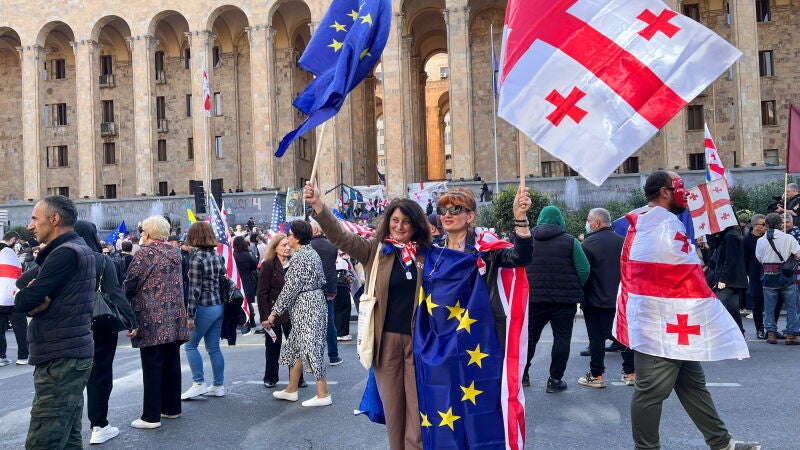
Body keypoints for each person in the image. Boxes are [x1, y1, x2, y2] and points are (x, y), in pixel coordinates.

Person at [619, 171, 758, 450]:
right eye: (680, 187)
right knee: (651, 392)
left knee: (693, 386)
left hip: (674, 322)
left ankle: (721, 443)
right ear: (665, 191)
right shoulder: (656, 226)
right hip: (659, 326)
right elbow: (674, 275)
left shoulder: (655, 222)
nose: (686, 194)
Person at [306, 184, 432, 449]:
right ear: (387, 222)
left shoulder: (427, 255)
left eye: (406, 221)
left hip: (419, 343)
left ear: (416, 225)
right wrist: (318, 206)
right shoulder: (374, 250)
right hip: (385, 343)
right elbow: (341, 237)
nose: (399, 226)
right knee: (394, 412)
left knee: (419, 410)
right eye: (395, 220)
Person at [14, 195, 96, 448]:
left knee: (44, 439)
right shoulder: (75, 248)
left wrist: (31, 296)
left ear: (54, 219)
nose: (30, 226)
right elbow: (23, 285)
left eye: (34, 218)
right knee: (68, 438)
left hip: (60, 357)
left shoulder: (64, 254)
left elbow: (22, 301)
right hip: (69, 353)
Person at [73, 220, 139, 444]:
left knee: (69, 376)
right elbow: (115, 292)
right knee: (100, 373)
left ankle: (68, 428)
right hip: (99, 322)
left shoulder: (61, 257)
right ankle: (99, 425)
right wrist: (131, 320)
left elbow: (25, 281)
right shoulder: (102, 260)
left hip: (69, 325)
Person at [124, 215, 189, 429]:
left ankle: (150, 417)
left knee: (152, 366)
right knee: (171, 363)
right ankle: (172, 408)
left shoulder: (144, 253)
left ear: (148, 233)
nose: (141, 234)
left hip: (151, 317)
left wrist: (123, 307)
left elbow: (130, 283)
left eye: (143, 231)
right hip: (174, 316)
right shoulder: (175, 252)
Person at [522, 205, 590, 392]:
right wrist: (573, 285)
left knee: (529, 338)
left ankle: (523, 375)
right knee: (562, 339)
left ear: (540, 220)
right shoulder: (570, 241)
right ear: (560, 220)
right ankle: (555, 380)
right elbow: (584, 269)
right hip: (564, 301)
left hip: (533, 299)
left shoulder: (528, 239)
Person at [265, 220, 332, 407]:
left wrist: (274, 312)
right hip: (313, 303)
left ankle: (323, 393)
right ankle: (291, 389)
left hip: (307, 306)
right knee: (295, 349)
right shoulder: (311, 253)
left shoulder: (300, 257)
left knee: (311, 349)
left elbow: (290, 289)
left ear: (298, 237)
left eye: (290, 235)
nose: (288, 238)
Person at [577, 208, 634, 389]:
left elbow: (583, 272)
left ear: (597, 223)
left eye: (588, 220)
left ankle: (596, 375)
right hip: (620, 299)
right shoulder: (624, 242)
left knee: (596, 339)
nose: (587, 223)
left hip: (594, 300)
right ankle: (631, 373)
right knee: (624, 337)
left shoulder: (587, 244)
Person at [182, 221, 227, 399]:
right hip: (218, 304)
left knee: (190, 345)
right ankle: (218, 385)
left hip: (204, 306)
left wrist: (190, 316)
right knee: (214, 348)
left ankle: (199, 383)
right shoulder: (217, 255)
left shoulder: (196, 259)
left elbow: (194, 289)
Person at [257, 233, 306, 389]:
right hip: (273, 314)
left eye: (288, 245)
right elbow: (262, 293)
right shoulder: (268, 265)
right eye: (283, 245)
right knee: (273, 346)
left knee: (295, 347)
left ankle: (297, 378)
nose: (287, 248)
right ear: (275, 247)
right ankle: (271, 377)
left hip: (293, 312)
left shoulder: (295, 263)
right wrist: (264, 317)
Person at [755, 212, 800, 344]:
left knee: (769, 308)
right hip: (786, 276)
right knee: (791, 307)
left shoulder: (760, 241)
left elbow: (759, 258)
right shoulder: (788, 238)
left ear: (766, 225)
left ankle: (771, 334)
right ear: (780, 224)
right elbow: (798, 255)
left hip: (768, 275)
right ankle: (791, 335)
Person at [308, 220, 341, 365]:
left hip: (312, 289)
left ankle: (313, 357)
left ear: (315, 230)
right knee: (329, 322)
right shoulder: (331, 245)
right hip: (329, 289)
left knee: (312, 323)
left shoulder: (307, 246)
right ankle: (333, 356)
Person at [708, 225, 748, 335]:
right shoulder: (726, 235)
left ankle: (715, 334)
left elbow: (730, 260)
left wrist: (723, 279)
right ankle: (740, 334)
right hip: (732, 279)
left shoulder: (730, 236)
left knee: (716, 305)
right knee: (733, 308)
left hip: (729, 279)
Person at [0, 231, 28, 367]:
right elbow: (18, 275)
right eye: (17, 242)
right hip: (13, 297)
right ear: (12, 240)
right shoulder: (9, 252)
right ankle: (23, 357)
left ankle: (1, 357)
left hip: (0, 298)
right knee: (21, 329)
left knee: (0, 330)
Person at [743, 214, 768, 339]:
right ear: (755, 226)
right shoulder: (746, 241)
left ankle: (771, 329)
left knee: (772, 301)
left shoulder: (768, 238)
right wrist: (748, 274)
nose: (765, 226)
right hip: (754, 275)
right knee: (757, 303)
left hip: (769, 273)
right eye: (763, 224)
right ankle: (759, 328)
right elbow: (744, 260)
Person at [233, 235, 258, 334]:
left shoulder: (233, 255)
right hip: (247, 280)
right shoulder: (248, 254)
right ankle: (251, 320)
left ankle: (242, 322)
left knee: (239, 302)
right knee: (248, 302)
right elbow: (254, 265)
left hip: (237, 281)